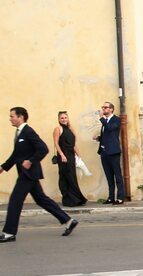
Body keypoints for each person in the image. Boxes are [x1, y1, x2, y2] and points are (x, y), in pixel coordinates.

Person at [0, 107, 78, 243]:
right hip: (29, 174)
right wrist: (3, 167)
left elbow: (43, 149)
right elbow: (16, 155)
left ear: (21, 117)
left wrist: (30, 161)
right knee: (41, 199)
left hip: (28, 174)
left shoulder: (28, 131)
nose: (10, 119)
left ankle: (9, 232)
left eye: (12, 116)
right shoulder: (20, 133)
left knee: (15, 200)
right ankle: (68, 220)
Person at [52, 111, 87, 207]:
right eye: (62, 118)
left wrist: (79, 155)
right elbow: (56, 143)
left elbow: (74, 144)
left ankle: (76, 199)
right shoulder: (57, 129)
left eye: (65, 117)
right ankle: (68, 199)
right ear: (59, 119)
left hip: (71, 156)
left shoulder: (71, 129)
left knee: (72, 177)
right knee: (64, 177)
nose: (64, 119)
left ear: (68, 118)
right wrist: (62, 155)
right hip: (63, 156)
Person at [94, 101, 125, 204]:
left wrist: (102, 118)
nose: (104, 109)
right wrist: (99, 138)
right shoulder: (105, 121)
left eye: (106, 107)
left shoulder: (116, 120)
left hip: (113, 152)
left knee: (117, 175)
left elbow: (110, 128)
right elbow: (107, 134)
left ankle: (120, 197)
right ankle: (111, 197)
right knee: (108, 176)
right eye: (103, 107)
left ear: (111, 109)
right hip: (104, 151)